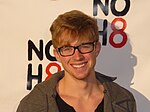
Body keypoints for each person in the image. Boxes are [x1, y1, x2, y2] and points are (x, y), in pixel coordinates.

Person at [17, 10, 137, 112]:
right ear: (57, 54)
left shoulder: (123, 101)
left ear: (97, 49)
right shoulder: (32, 105)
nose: (77, 56)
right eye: (67, 48)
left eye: (85, 46)